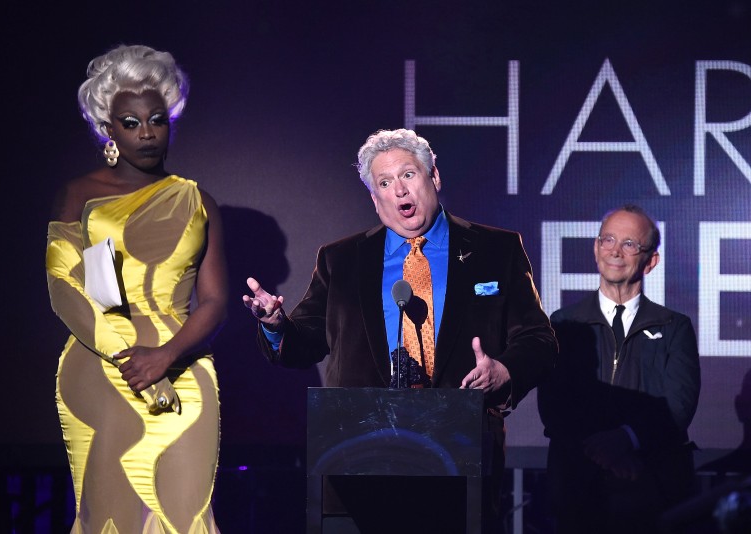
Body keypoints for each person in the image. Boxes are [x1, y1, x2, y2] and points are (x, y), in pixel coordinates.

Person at [243, 128, 557, 530]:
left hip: (462, 459)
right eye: (384, 183)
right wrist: (274, 324)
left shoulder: (497, 250)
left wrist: (505, 372)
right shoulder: (341, 260)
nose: (399, 191)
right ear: (375, 200)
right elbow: (303, 340)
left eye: (408, 175)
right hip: (361, 459)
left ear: (434, 178)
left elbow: (540, 341)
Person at [45, 44, 227, 533]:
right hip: (103, 366)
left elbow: (213, 302)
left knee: (184, 512)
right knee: (111, 514)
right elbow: (65, 285)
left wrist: (165, 357)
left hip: (184, 368)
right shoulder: (82, 195)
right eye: (130, 122)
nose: (146, 132)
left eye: (157, 119)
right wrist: (130, 356)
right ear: (108, 129)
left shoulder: (198, 200)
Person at [537, 204, 701, 534]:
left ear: (650, 261)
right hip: (577, 488)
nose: (615, 251)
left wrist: (627, 440)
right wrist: (605, 454)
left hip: (650, 486)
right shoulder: (564, 323)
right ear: (596, 248)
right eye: (608, 239)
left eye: (629, 244)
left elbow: (679, 404)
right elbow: (554, 404)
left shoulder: (674, 327)